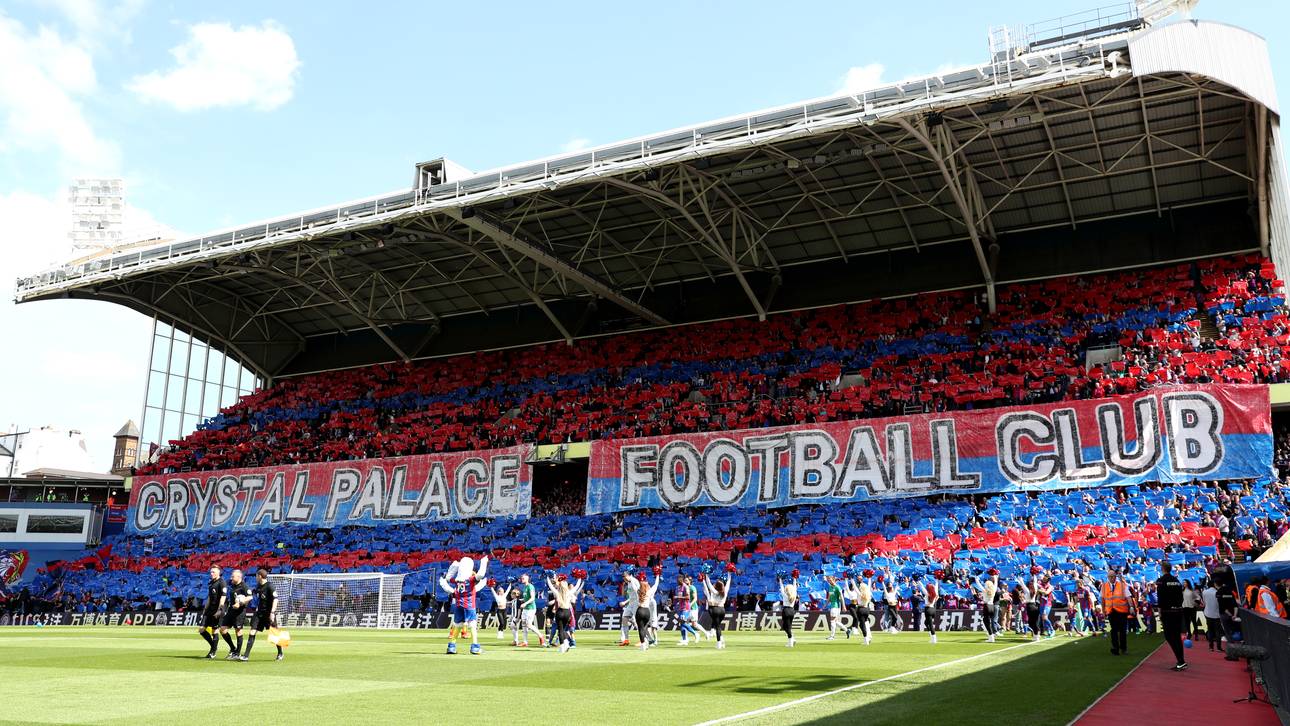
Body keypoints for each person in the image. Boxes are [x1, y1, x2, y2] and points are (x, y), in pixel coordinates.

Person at [439, 555, 489, 655]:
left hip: (458, 604)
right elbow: (480, 575)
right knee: (473, 624)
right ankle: (475, 646)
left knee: (457, 624)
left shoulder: (457, 581)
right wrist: (484, 563)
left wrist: (447, 575)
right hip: (469, 604)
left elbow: (447, 581)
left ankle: (452, 646)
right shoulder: (470, 580)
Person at [242, 568, 283, 661]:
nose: (256, 578)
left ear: (260, 576)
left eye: (256, 576)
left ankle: (280, 652)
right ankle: (246, 655)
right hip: (259, 613)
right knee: (252, 631)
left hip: (268, 614)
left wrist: (272, 612)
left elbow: (275, 599)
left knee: (274, 634)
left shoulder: (270, 586)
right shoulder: (258, 586)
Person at [1155, 561, 1188, 671]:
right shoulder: (1177, 581)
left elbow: (1160, 598)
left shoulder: (1161, 581)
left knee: (1170, 637)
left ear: (1163, 569)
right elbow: (1181, 596)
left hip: (1168, 612)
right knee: (1176, 637)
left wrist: (1160, 612)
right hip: (1178, 610)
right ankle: (1181, 660)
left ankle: (1181, 660)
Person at [218, 568, 252, 660]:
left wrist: (240, 603)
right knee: (222, 629)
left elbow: (250, 597)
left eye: (233, 576)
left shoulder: (244, 586)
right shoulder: (232, 584)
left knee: (238, 630)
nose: (231, 578)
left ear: (239, 577)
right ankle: (233, 648)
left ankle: (237, 653)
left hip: (239, 612)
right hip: (231, 611)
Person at [546, 572, 582, 653]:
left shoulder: (557, 593)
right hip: (567, 612)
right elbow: (577, 586)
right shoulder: (569, 592)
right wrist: (579, 578)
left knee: (560, 630)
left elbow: (550, 586)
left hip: (560, 612)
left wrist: (548, 577)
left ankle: (562, 646)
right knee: (565, 630)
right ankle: (566, 643)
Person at [198, 565, 226, 659]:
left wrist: (220, 610)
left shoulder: (222, 583)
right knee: (201, 629)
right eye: (211, 572)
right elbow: (209, 598)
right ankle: (214, 646)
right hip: (209, 610)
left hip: (216, 610)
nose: (211, 573)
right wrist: (205, 609)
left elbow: (223, 597)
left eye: (213, 572)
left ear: (219, 572)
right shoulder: (211, 583)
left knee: (215, 631)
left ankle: (213, 652)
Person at [1101, 570, 1131, 656]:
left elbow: (1128, 597)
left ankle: (1123, 649)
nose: (1111, 578)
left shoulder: (1122, 585)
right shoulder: (1104, 586)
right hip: (1111, 611)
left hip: (1122, 611)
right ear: (1107, 577)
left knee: (1122, 631)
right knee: (1114, 630)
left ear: (1115, 576)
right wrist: (1103, 611)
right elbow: (1102, 599)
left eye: (1113, 576)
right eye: (1110, 577)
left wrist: (1131, 607)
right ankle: (1115, 648)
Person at [700, 571, 731, 650]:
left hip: (714, 610)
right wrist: (729, 573)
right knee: (716, 626)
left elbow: (708, 584)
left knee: (717, 627)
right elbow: (728, 582)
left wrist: (705, 576)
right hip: (722, 610)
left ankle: (719, 643)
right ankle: (720, 639)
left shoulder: (714, 592)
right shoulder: (725, 592)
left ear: (716, 586)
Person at [633, 571, 660, 652]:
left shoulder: (638, 591)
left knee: (640, 629)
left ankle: (643, 644)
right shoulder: (649, 592)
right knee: (645, 628)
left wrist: (631, 577)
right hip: (647, 611)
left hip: (640, 610)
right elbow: (656, 585)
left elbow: (633, 584)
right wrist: (658, 575)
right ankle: (647, 642)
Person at [672, 575, 697, 645]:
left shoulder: (686, 587)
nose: (677, 581)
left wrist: (678, 597)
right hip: (680, 607)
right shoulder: (678, 588)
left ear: (681, 580)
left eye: (678, 580)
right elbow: (678, 598)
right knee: (681, 623)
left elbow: (688, 597)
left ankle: (695, 633)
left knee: (683, 622)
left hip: (686, 607)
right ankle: (684, 639)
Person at [1201, 579, 1223, 652]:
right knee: (1217, 631)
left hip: (1208, 613)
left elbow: (1204, 602)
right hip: (1216, 614)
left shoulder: (1204, 592)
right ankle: (1218, 647)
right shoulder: (1217, 592)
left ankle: (1211, 647)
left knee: (1210, 630)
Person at [778, 573, 800, 647]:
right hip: (792, 610)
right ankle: (792, 639)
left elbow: (781, 587)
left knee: (786, 627)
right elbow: (794, 587)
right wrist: (794, 578)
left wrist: (780, 579)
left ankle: (791, 641)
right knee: (788, 626)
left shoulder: (785, 595)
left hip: (786, 610)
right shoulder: (794, 594)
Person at [618, 571, 639, 646]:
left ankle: (642, 640)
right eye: (623, 577)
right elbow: (631, 597)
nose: (624, 578)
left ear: (629, 575)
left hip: (636, 603)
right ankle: (626, 640)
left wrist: (640, 603)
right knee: (624, 619)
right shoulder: (628, 583)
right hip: (630, 604)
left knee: (638, 621)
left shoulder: (634, 581)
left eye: (624, 576)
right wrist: (625, 602)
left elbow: (637, 592)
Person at [824, 575, 844, 641]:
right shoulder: (830, 587)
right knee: (835, 621)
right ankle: (847, 630)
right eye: (828, 580)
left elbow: (841, 597)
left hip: (836, 605)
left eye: (830, 580)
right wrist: (825, 604)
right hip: (832, 605)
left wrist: (844, 606)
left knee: (832, 620)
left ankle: (832, 636)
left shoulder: (837, 587)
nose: (829, 581)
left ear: (834, 579)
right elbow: (829, 597)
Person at [923, 578, 939, 644]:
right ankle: (931, 634)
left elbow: (922, 588)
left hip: (928, 609)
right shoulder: (934, 594)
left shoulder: (927, 594)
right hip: (933, 610)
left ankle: (934, 638)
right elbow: (936, 589)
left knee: (931, 624)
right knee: (926, 623)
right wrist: (937, 581)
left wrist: (918, 582)